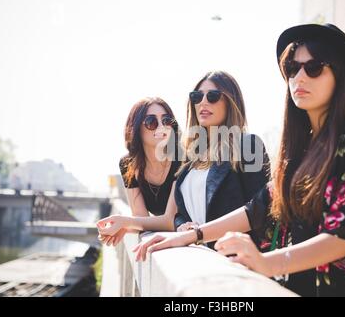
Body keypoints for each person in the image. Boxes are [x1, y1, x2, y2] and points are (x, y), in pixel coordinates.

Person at [132, 24, 345, 297]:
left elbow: (342, 238)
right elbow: (258, 208)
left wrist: (266, 262)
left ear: (339, 77)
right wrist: (191, 235)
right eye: (292, 68)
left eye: (313, 68)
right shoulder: (301, 147)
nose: (299, 77)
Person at [97, 71, 270, 250]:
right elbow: (181, 213)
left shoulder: (249, 145)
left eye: (212, 96)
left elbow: (260, 210)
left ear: (231, 101)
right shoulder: (193, 154)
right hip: (199, 256)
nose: (203, 102)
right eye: (197, 97)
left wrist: (196, 234)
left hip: (234, 260)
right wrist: (182, 227)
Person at [98, 97, 180, 247]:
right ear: (136, 128)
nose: (161, 127)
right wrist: (128, 225)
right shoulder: (128, 165)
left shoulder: (181, 158)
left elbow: (169, 221)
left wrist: (126, 223)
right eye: (151, 122)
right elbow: (141, 217)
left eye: (167, 121)